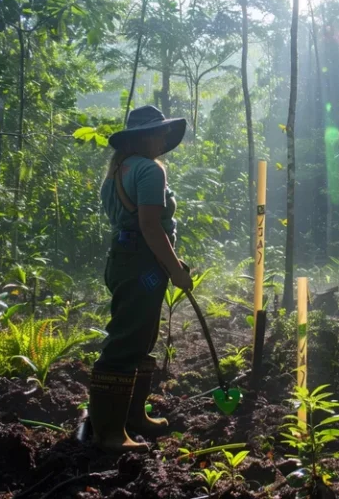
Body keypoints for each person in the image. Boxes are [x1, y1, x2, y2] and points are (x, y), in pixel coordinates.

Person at [89, 105, 193, 453]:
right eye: (160, 132)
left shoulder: (118, 169)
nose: (164, 138)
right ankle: (108, 432)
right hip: (142, 265)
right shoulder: (149, 171)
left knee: (141, 334)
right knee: (127, 341)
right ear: (146, 137)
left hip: (123, 260)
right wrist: (176, 271)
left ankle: (132, 417)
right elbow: (150, 227)